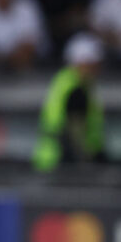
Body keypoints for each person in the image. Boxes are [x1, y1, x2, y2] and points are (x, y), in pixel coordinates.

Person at [32, 32, 105, 172]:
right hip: (63, 163)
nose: (98, 68)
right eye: (95, 63)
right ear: (82, 62)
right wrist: (87, 162)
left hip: (50, 159)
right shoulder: (76, 89)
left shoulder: (63, 80)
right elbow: (76, 131)